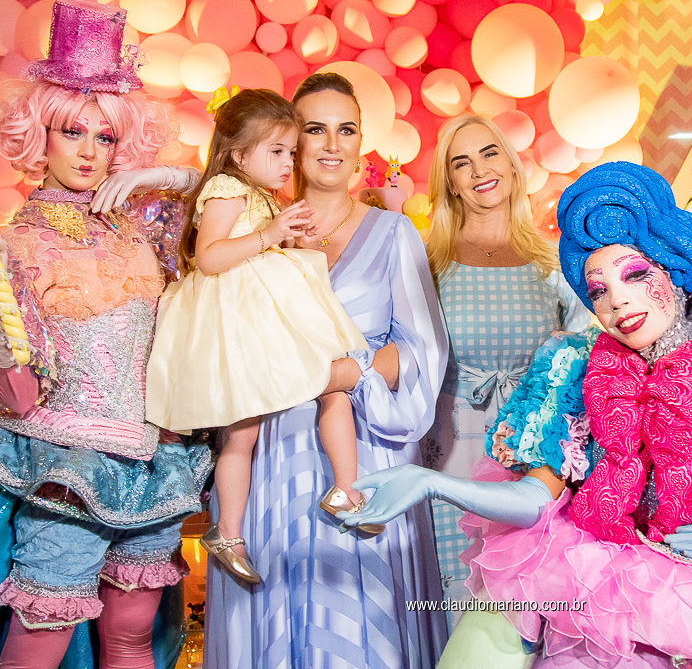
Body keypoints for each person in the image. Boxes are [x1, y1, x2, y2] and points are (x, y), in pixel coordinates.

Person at [340, 161, 692, 669]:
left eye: (634, 275)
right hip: (602, 566)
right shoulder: (575, 365)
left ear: (674, 270)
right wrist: (431, 482)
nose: (617, 302)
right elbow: (535, 498)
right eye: (598, 290)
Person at [0, 0, 210, 669]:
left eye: (105, 137)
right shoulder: (11, 246)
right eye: (73, 132)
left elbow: (230, 197)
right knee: (42, 638)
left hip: (152, 460)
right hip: (65, 467)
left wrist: (165, 176)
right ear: (41, 133)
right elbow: (18, 396)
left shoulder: (145, 227)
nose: (90, 152)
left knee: (132, 635)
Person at [202, 72, 448, 669]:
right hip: (273, 448)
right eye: (315, 129)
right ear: (289, 141)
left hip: (367, 446)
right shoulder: (256, 229)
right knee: (277, 598)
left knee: (363, 613)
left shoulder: (394, 233)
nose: (332, 145)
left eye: (347, 130)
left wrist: (343, 373)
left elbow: (420, 352)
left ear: (362, 142)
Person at [145, 88, 375, 586]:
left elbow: (265, 248)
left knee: (330, 384)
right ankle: (227, 532)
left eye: (291, 152)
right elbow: (210, 257)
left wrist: (294, 238)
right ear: (237, 154)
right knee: (242, 430)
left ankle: (346, 487)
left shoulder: (263, 196)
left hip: (268, 318)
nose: (288, 163)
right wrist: (271, 235)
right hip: (237, 323)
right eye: (277, 151)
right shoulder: (227, 188)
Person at [421, 113, 589, 618]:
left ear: (513, 166)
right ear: (450, 183)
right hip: (451, 449)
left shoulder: (555, 262)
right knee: (456, 600)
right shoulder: (427, 264)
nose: (479, 171)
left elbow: (588, 354)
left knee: (524, 606)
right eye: (461, 163)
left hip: (535, 455)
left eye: (490, 153)